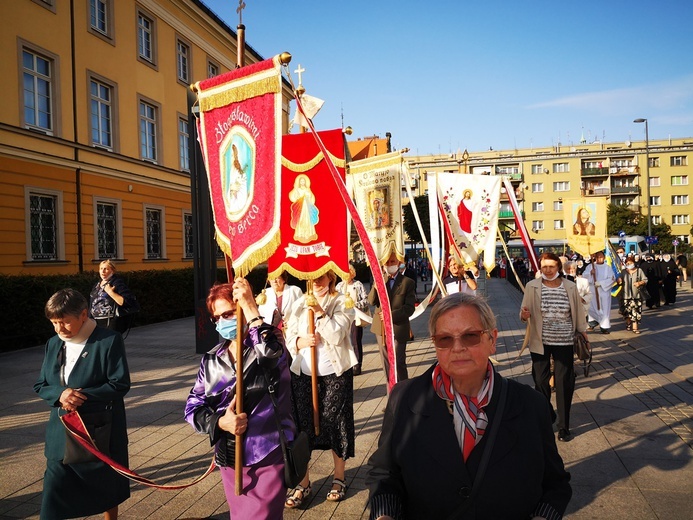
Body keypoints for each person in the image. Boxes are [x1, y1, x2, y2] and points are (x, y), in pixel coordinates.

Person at [367, 292, 572, 520]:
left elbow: (555, 484)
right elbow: (385, 473)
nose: (457, 348)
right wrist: (384, 514)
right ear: (435, 344)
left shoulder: (531, 405)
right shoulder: (404, 398)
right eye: (445, 339)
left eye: (470, 336)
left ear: (492, 340)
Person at [185, 279, 294, 519]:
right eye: (218, 317)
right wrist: (218, 422)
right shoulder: (212, 359)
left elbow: (271, 354)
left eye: (230, 313)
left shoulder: (268, 342)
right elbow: (193, 406)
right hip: (229, 456)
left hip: (268, 453)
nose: (224, 321)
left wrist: (251, 309)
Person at [35, 288, 131, 520]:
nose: (59, 329)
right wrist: (60, 394)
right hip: (62, 432)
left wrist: (79, 396)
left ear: (84, 314)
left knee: (107, 488)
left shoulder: (108, 340)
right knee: (53, 492)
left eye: (65, 322)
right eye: (54, 323)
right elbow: (41, 385)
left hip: (99, 431)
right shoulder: (53, 343)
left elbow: (120, 384)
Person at [284, 271, 358, 508]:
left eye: (321, 276)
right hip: (303, 375)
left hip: (335, 375)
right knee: (303, 426)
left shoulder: (342, 301)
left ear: (330, 278)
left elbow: (338, 335)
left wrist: (319, 313)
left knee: (334, 423)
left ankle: (339, 478)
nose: (316, 281)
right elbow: (289, 336)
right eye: (312, 276)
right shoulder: (298, 303)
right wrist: (299, 342)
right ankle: (303, 483)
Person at [520, 252, 588, 442]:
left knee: (564, 382)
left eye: (551, 266)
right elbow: (523, 310)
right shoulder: (531, 286)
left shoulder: (570, 286)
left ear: (558, 267)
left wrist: (583, 331)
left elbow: (578, 310)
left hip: (564, 340)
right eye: (544, 267)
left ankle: (564, 426)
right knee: (540, 382)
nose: (548, 270)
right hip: (539, 340)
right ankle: (546, 414)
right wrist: (524, 315)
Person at [368, 252, 417, 384]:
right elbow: (372, 301)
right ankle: (391, 394)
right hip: (381, 328)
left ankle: (404, 391)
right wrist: (376, 284)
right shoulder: (380, 280)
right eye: (387, 262)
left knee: (399, 362)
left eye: (392, 262)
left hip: (398, 327)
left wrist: (390, 316)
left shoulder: (408, 282)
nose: (390, 265)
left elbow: (409, 308)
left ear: (399, 263)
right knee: (386, 364)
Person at [336, 264, 369, 375]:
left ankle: (357, 364)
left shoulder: (358, 284)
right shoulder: (339, 286)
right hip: (342, 318)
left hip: (356, 317)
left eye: (348, 272)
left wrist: (354, 305)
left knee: (355, 340)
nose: (346, 275)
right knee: (343, 341)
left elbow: (365, 300)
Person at [89, 259, 138, 334]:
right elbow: (92, 304)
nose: (103, 271)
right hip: (96, 322)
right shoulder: (97, 285)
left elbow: (125, 301)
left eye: (106, 269)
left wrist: (110, 292)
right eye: (101, 268)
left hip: (110, 322)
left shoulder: (117, 283)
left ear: (112, 271)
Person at [582, 251, 616, 334]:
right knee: (592, 307)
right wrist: (590, 273)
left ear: (604, 257)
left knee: (604, 308)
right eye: (597, 257)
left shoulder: (607, 267)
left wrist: (601, 283)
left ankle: (604, 326)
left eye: (601, 257)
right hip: (593, 290)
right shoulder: (590, 266)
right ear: (595, 258)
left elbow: (612, 278)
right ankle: (593, 323)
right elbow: (584, 276)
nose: (599, 259)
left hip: (604, 291)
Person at [618, 259, 648, 334]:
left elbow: (645, 279)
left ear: (634, 263)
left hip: (636, 295)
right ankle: (628, 323)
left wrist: (640, 283)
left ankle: (635, 327)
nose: (629, 264)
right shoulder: (623, 272)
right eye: (627, 263)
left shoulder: (639, 270)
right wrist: (619, 281)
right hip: (625, 295)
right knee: (627, 312)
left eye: (631, 263)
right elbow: (619, 281)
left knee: (636, 312)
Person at [289, 174, 319, 243]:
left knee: (308, 219)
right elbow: (295, 197)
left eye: (303, 181)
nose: (302, 182)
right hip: (300, 206)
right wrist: (295, 190)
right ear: (299, 182)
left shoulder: (307, 189)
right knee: (300, 219)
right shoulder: (298, 189)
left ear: (305, 182)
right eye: (301, 181)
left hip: (307, 206)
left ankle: (309, 234)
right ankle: (300, 234)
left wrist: (308, 195)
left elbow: (311, 196)